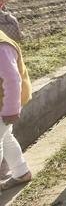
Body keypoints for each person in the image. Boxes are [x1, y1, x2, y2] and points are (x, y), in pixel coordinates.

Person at [0, 30, 32, 190]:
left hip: (5, 104)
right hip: (4, 103)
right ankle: (21, 172)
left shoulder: (2, 46)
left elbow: (13, 80)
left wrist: (10, 110)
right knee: (5, 137)